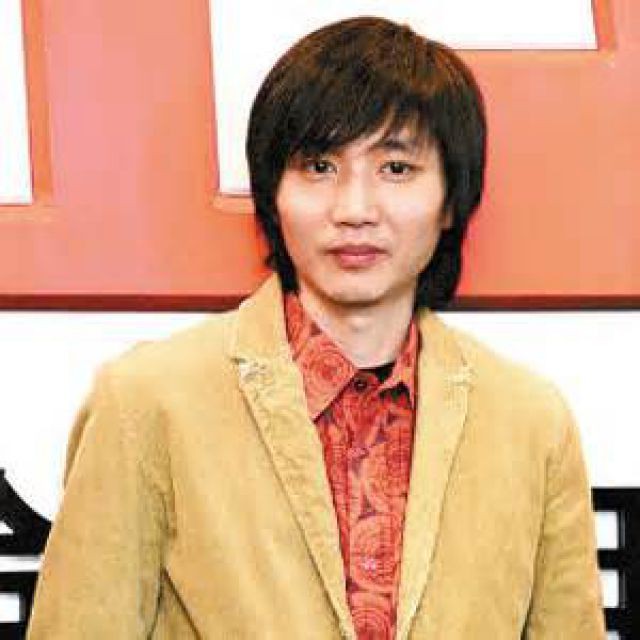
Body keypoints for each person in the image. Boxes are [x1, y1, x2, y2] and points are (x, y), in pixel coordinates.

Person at [28, 16, 605, 639]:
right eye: (320, 166)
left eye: (396, 169)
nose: (354, 210)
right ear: (273, 193)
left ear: (450, 201)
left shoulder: (530, 422)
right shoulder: (148, 403)